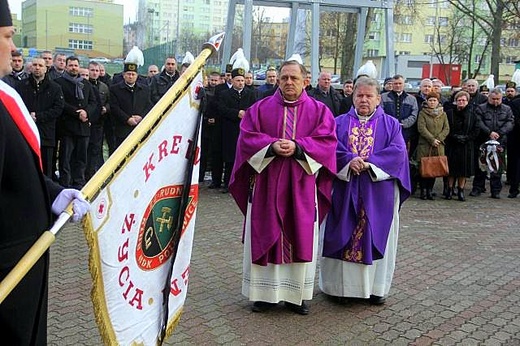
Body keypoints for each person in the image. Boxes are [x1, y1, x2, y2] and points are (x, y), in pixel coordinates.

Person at [0, 4, 90, 343]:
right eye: (8, 37)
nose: (14, 48)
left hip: (25, 265)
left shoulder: (4, 96)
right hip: (8, 273)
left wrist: (52, 193)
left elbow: (15, 172)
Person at [229, 60, 337, 315]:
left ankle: (295, 295)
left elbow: (328, 142)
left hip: (301, 184)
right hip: (267, 182)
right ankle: (263, 295)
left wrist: (299, 147)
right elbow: (246, 137)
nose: (289, 82)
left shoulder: (320, 111)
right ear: (278, 80)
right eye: (284, 78)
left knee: (299, 233)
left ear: (305, 81)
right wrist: (270, 145)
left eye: (294, 78)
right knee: (266, 229)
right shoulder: (259, 108)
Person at [319, 76, 411, 305]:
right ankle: (340, 289)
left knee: (373, 236)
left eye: (369, 96)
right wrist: (349, 160)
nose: (364, 100)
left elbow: (398, 153)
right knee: (342, 235)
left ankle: (375, 288)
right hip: (344, 188)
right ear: (352, 97)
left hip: (377, 193)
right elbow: (328, 148)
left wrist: (369, 163)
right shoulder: (338, 122)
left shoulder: (391, 124)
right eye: (359, 95)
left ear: (378, 99)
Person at [16, 57, 64, 178]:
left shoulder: (55, 88)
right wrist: (28, 117)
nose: (37, 68)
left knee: (46, 168)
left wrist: (38, 116)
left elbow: (58, 108)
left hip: (46, 134)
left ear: (46, 68)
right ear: (31, 67)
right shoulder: (21, 86)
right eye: (35, 65)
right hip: (26, 132)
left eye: (40, 66)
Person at [54, 56, 98, 189]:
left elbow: (93, 102)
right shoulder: (59, 83)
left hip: (83, 127)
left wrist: (86, 112)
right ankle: (65, 183)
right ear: (66, 67)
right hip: (67, 127)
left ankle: (79, 183)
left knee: (81, 158)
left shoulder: (86, 84)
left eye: (76, 65)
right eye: (71, 65)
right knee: (65, 158)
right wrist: (76, 113)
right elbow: (61, 103)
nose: (73, 67)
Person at [470, 88, 514, 199]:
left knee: (497, 166)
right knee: (481, 165)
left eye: (498, 99)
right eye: (493, 99)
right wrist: (489, 132)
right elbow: (478, 121)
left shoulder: (507, 109)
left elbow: (510, 122)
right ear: (489, 98)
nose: (495, 101)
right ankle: (478, 187)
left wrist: (500, 133)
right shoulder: (481, 108)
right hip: (484, 140)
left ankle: (495, 190)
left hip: (500, 141)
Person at [217, 67, 256, 193]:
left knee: (245, 157)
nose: (241, 83)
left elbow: (255, 109)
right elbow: (221, 109)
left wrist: (247, 114)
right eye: (238, 80)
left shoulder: (251, 94)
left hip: (245, 130)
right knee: (230, 158)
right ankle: (228, 182)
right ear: (232, 81)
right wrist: (236, 113)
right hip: (230, 129)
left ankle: (244, 183)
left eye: (242, 80)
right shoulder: (225, 94)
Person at [445, 91, 480, 201]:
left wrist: (466, 138)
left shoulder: (473, 114)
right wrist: (453, 137)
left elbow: (476, 129)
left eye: (463, 100)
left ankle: (461, 190)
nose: (461, 102)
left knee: (463, 170)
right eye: (459, 100)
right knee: (451, 169)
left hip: (466, 145)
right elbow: (445, 127)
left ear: (467, 101)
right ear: (455, 101)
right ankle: (449, 189)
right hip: (452, 144)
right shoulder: (449, 113)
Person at [109, 61, 153, 148]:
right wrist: (127, 119)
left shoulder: (145, 89)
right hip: (122, 129)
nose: (131, 76)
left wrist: (141, 117)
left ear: (137, 76)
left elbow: (149, 105)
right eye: (128, 74)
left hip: (139, 128)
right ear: (124, 75)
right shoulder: (115, 89)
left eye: (133, 74)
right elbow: (114, 107)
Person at [416, 92, 450, 200]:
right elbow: (421, 128)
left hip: (438, 145)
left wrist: (439, 139)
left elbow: (446, 128)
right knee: (424, 167)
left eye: (434, 100)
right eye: (430, 100)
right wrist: (431, 139)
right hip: (425, 145)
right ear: (427, 101)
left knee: (434, 168)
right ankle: (423, 190)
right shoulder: (422, 113)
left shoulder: (443, 114)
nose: (432, 102)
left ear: (438, 102)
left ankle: (430, 190)